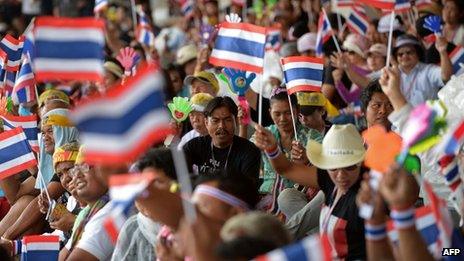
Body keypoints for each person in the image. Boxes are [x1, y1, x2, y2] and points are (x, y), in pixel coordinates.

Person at [253, 123, 367, 259]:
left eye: (349, 167)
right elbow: (287, 169)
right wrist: (272, 148)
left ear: (361, 163)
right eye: (333, 168)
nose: (341, 175)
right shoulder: (330, 180)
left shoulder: (367, 196)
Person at [250, 87, 322, 215]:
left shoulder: (313, 136)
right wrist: (242, 126)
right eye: (277, 114)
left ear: (297, 110)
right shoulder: (265, 134)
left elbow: (326, 172)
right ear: (269, 112)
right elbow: (245, 153)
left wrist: (308, 158)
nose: (283, 118)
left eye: (288, 113)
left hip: (298, 197)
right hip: (267, 195)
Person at [112, 148, 177, 261]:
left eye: (156, 183)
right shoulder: (133, 227)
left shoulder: (193, 226)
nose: (146, 193)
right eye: (141, 186)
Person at [183, 96, 261, 184]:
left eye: (227, 120)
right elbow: (178, 172)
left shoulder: (249, 151)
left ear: (236, 121)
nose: (222, 126)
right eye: (215, 121)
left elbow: (248, 190)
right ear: (206, 123)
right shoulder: (194, 146)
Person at [393, 34, 452, 106]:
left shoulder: (428, 70)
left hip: (431, 116)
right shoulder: (392, 75)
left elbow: (446, 77)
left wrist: (442, 51)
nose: (405, 56)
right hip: (403, 116)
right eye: (400, 54)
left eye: (409, 52)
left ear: (418, 53)